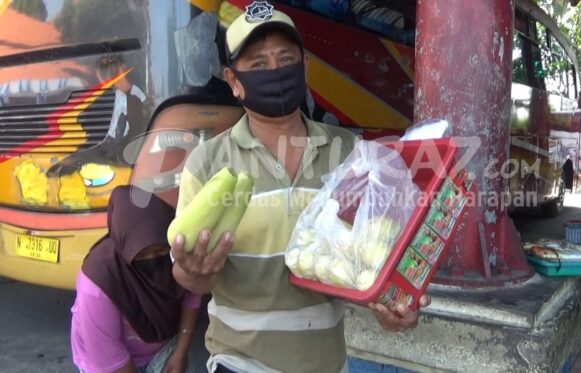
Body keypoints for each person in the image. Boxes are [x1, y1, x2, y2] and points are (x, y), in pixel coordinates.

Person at [170, 3, 429, 372]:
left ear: (305, 67)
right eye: (258, 64)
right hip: (239, 363)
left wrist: (389, 303)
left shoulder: (352, 156)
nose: (274, 71)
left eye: (284, 58)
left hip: (326, 363)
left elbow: (365, 257)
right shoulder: (207, 164)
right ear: (233, 81)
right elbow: (186, 275)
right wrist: (195, 272)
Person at [70, 186, 201, 373]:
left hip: (161, 348)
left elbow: (191, 295)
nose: (152, 259)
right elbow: (108, 357)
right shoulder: (99, 281)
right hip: (104, 360)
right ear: (124, 247)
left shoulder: (178, 253)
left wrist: (180, 352)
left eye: (160, 251)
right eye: (141, 254)